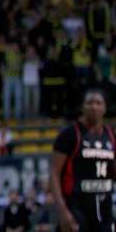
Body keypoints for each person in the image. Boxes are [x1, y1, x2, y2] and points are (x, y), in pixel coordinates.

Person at [47, 87, 116, 232]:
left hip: (104, 206)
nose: (94, 107)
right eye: (89, 103)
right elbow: (54, 173)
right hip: (76, 206)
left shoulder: (110, 135)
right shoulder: (70, 133)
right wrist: (62, 211)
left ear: (105, 108)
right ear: (82, 107)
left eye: (98, 103)